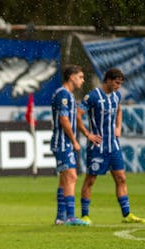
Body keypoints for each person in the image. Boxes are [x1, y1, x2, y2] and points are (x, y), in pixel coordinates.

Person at [76, 68, 145, 225]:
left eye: (120, 83)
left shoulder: (116, 96)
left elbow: (118, 109)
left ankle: (127, 214)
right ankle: (85, 215)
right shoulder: (92, 96)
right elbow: (78, 115)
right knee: (90, 180)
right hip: (97, 146)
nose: (119, 86)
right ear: (107, 80)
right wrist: (88, 134)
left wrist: (118, 126)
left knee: (121, 178)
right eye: (116, 82)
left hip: (113, 145)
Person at [51, 64, 88, 226]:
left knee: (64, 179)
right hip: (63, 142)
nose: (82, 80)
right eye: (80, 76)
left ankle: (61, 217)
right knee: (71, 176)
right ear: (71, 77)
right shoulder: (63, 95)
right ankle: (71, 217)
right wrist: (74, 140)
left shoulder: (67, 95)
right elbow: (64, 119)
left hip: (63, 142)